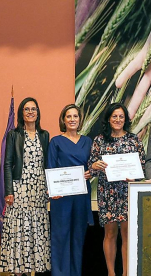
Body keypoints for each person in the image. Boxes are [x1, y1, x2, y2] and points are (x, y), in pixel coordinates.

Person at [88, 103, 145, 276]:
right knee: (110, 233)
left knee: (127, 233)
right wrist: (95, 166)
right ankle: (111, 273)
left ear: (126, 119)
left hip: (128, 191)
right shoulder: (99, 140)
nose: (118, 120)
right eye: (114, 116)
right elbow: (91, 168)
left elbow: (142, 165)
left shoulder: (134, 139)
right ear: (108, 119)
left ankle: (127, 273)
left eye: (121, 116)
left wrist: (135, 176)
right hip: (107, 192)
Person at [0, 97, 51, 276]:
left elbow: (47, 164)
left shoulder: (44, 135)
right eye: (27, 109)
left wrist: (49, 186)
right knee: (19, 232)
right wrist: (9, 191)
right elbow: (7, 164)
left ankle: (34, 270)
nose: (30, 112)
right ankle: (18, 271)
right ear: (22, 113)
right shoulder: (14, 134)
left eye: (34, 109)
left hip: (38, 190)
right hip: (19, 189)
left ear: (38, 113)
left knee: (36, 231)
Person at [47, 104, 94, 276]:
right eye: (69, 116)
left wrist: (91, 172)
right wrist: (52, 190)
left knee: (77, 238)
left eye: (75, 116)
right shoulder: (55, 142)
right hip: (61, 197)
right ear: (63, 120)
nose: (72, 119)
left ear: (80, 120)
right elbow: (50, 167)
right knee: (60, 237)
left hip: (81, 196)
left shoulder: (88, 141)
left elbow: (92, 166)